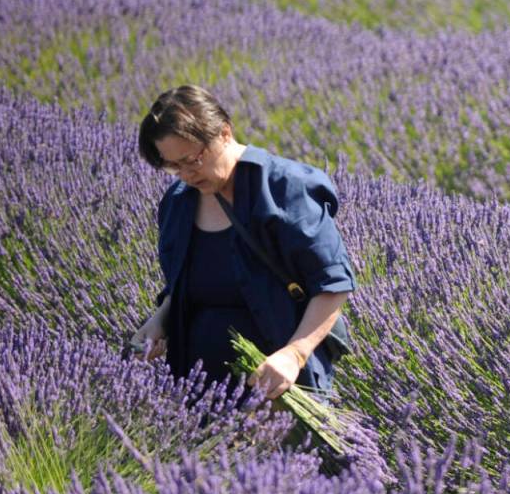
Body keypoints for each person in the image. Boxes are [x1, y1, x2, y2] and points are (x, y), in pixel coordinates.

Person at [129, 85, 356, 403]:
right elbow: (184, 285)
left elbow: (333, 284)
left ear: (224, 133)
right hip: (196, 386)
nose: (186, 175)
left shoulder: (285, 188)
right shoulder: (178, 203)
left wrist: (295, 354)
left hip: (278, 389)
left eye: (193, 159)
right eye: (173, 166)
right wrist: (159, 322)